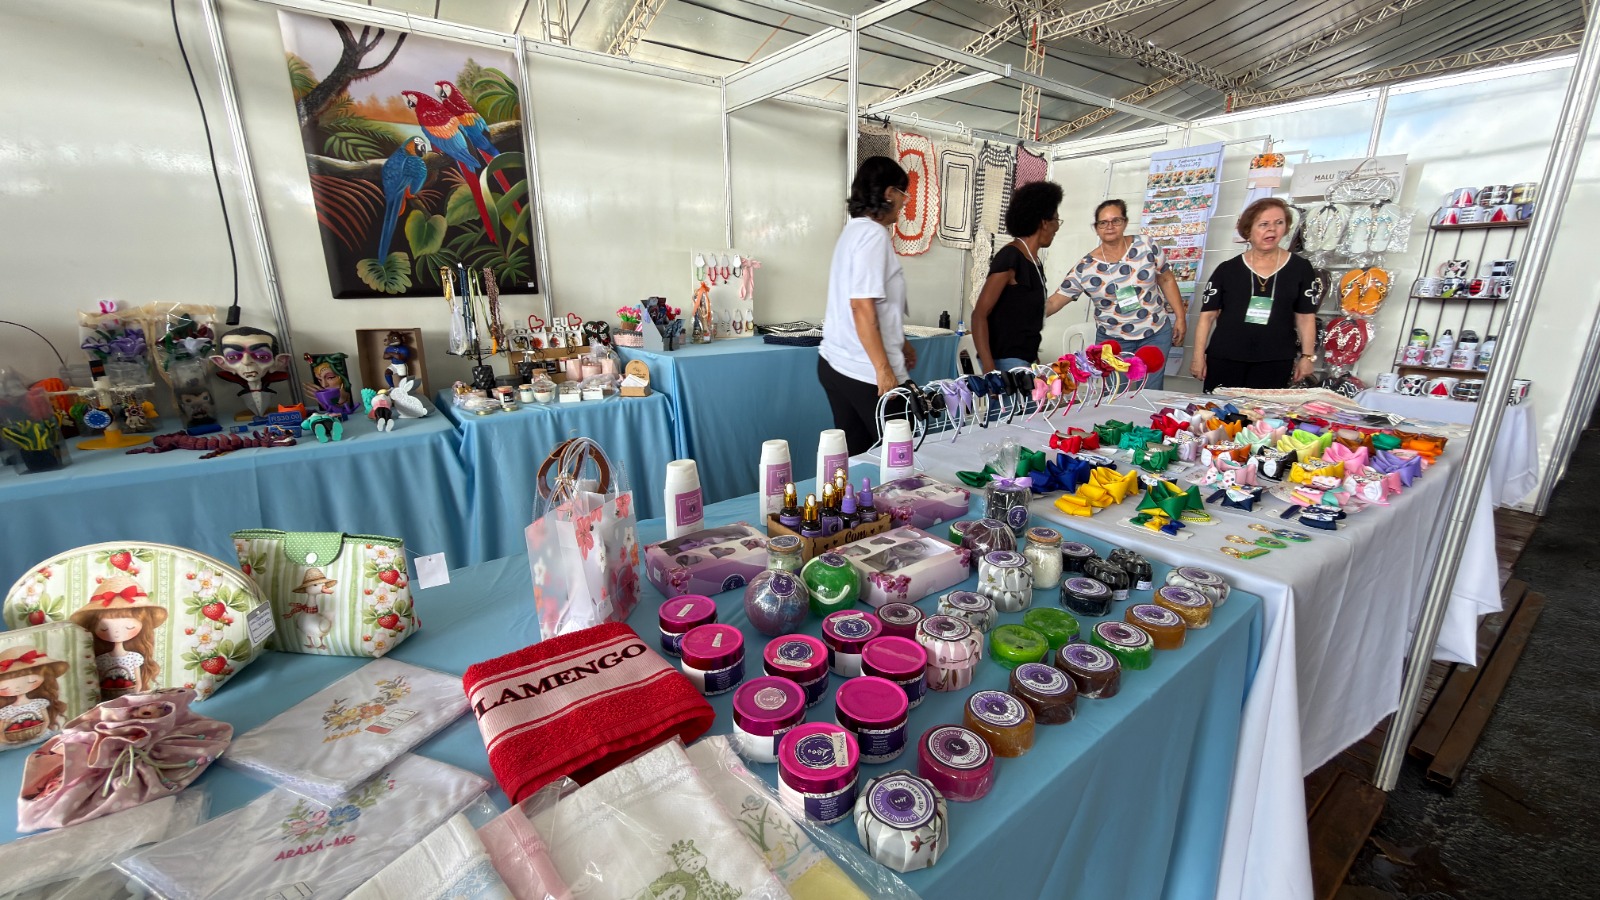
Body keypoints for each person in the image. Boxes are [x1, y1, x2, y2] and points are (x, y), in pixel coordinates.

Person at [818, 156, 917, 455]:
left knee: (860, 457)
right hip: (866, 372)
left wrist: (901, 343)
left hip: (837, 364)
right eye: (903, 194)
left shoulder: (853, 232)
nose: (905, 202)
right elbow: (862, 307)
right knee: (903, 455)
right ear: (889, 194)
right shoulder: (874, 235)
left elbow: (875, 307)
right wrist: (884, 369)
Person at [1050, 199, 1187, 389]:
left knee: (1150, 391)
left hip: (1154, 333)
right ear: (1096, 228)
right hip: (1114, 341)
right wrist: (1024, 315)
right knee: (1114, 394)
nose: (1110, 226)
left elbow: (1166, 279)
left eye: (1116, 220)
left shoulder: (1146, 245)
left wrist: (1180, 317)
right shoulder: (1085, 267)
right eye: (1103, 222)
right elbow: (1056, 301)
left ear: (1125, 222)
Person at [1190, 197, 1320, 392]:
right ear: (1248, 230)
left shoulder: (1300, 268)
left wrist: (1307, 357)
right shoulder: (1227, 270)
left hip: (1275, 359)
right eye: (1264, 224)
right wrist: (1198, 356)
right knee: (1219, 410)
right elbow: (1207, 316)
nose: (1272, 229)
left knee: (1263, 411)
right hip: (1226, 356)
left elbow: (1305, 317)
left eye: (1279, 223)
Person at [972, 181, 1065, 372]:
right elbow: (979, 314)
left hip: (1024, 361)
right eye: (1056, 220)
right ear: (1044, 222)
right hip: (1004, 363)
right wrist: (990, 370)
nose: (1057, 227)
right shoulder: (1011, 257)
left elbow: (1024, 319)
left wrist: (1033, 361)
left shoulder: (1034, 262)